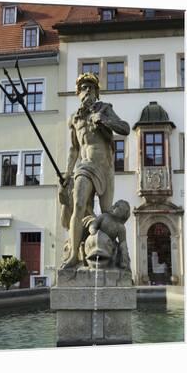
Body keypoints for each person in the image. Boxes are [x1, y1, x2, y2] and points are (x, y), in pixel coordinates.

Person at [60, 73, 130, 268]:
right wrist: (67, 172)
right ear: (78, 93)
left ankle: (109, 257)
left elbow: (125, 128)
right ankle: (74, 254)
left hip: (105, 167)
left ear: (97, 92)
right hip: (85, 166)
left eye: (91, 86)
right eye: (83, 87)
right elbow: (74, 149)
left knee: (108, 213)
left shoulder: (106, 109)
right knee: (79, 205)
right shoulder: (75, 118)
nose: (87, 89)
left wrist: (105, 121)